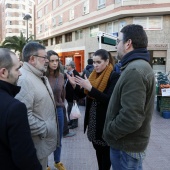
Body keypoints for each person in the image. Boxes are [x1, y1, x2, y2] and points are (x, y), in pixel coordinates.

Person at [103, 24, 155, 170]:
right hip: (128, 145)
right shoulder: (137, 66)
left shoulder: (135, 70)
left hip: (125, 146)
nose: (116, 46)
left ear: (128, 43)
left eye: (117, 41)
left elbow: (131, 117)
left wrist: (109, 131)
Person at [67, 49, 119, 170]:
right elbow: (81, 96)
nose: (95, 65)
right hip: (93, 123)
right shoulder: (93, 75)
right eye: (94, 62)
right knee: (98, 152)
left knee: (106, 156)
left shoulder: (114, 76)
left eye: (98, 62)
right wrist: (74, 85)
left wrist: (90, 88)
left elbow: (109, 100)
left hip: (105, 124)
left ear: (107, 61)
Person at [15, 42, 59, 170]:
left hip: (40, 144)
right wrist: (45, 128)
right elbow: (22, 116)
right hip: (36, 145)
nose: (47, 60)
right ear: (32, 59)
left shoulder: (38, 75)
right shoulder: (24, 79)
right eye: (44, 57)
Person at [0, 48, 42, 170]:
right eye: (17, 69)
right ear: (3, 72)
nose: (20, 73)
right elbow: (25, 158)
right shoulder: (14, 108)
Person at [46, 50, 69, 170]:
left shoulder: (61, 76)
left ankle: (57, 161)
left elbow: (63, 94)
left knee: (58, 137)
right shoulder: (42, 76)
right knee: (45, 137)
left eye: (56, 60)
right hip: (45, 110)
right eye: (52, 61)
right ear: (47, 62)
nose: (55, 63)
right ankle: (45, 164)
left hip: (59, 109)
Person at [65, 61, 80, 129]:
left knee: (74, 109)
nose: (66, 66)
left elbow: (77, 87)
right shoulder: (68, 73)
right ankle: (71, 121)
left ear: (71, 66)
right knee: (69, 109)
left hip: (73, 97)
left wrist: (75, 98)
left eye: (68, 65)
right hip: (69, 96)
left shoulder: (75, 74)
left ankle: (74, 123)